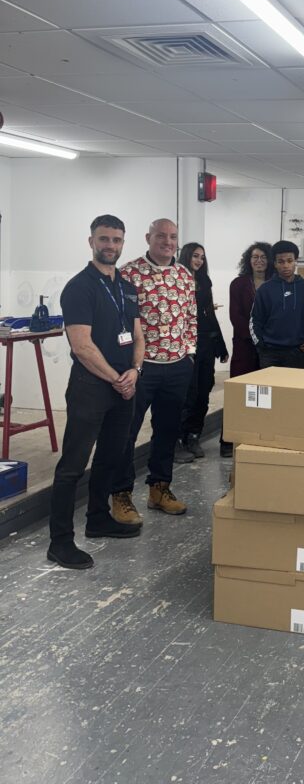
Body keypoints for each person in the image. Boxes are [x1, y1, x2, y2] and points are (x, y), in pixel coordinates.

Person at [47, 215, 144, 570]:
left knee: (111, 457)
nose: (111, 246)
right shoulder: (80, 287)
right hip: (91, 387)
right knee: (73, 465)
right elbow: (82, 346)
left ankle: (98, 518)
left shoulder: (127, 286)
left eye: (117, 240)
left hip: (123, 386)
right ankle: (59, 542)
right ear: (91, 242)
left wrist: (134, 370)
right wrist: (116, 378)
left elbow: (137, 333)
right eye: (104, 239)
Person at [111, 218, 196, 522]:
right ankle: (120, 495)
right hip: (140, 368)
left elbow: (190, 317)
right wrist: (126, 364)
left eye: (173, 237)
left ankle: (160, 488)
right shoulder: (128, 274)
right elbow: (118, 321)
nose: (168, 242)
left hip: (176, 367)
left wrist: (189, 352)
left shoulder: (185, 275)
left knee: (167, 431)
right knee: (126, 432)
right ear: (148, 238)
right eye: (161, 236)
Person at [176, 243, 228, 461]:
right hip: (185, 346)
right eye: (195, 256)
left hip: (205, 342)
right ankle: (178, 439)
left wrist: (221, 344)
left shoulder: (204, 281)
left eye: (202, 257)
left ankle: (193, 436)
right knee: (187, 393)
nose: (198, 260)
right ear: (186, 256)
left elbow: (208, 313)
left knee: (203, 391)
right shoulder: (176, 279)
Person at [220, 241, 272, 457]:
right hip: (244, 346)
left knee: (265, 395)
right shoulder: (238, 284)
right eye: (254, 257)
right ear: (248, 261)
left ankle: (258, 437)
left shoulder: (275, 283)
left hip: (270, 348)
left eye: (263, 257)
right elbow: (236, 316)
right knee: (239, 393)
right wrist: (255, 338)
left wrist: (267, 340)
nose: (259, 261)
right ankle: (228, 440)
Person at [250, 241, 304, 368]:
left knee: (293, 388)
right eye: (281, 262)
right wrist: (261, 345)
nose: (286, 265)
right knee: (269, 387)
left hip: (296, 351)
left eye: (289, 260)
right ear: (275, 264)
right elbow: (255, 320)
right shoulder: (265, 289)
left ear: (296, 261)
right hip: (269, 353)